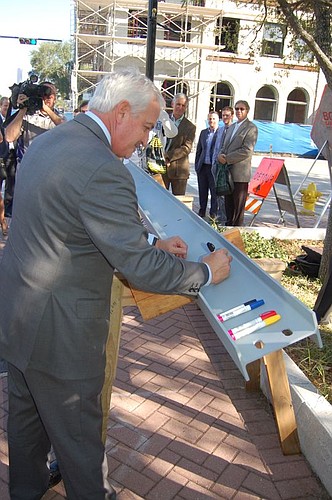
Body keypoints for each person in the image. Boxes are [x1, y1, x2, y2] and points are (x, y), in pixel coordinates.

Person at [0, 69, 232, 500]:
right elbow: (142, 271)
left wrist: (149, 239)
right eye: (145, 126)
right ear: (121, 112)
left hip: (19, 317)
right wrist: (206, 272)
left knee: (27, 434)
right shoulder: (105, 168)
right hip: (63, 338)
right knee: (81, 449)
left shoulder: (53, 140)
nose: (146, 139)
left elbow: (71, 219)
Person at [217, 100, 258, 226]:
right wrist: (220, 155)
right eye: (237, 109)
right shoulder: (232, 127)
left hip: (240, 174)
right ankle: (228, 231)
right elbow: (224, 145)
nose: (239, 111)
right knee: (228, 207)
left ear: (247, 111)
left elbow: (247, 150)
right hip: (227, 173)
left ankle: (237, 232)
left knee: (238, 209)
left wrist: (228, 158)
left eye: (242, 109)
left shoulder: (251, 128)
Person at [5, 82, 65, 167]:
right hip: (28, 167)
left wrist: (46, 109)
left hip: (51, 168)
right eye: (44, 95)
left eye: (50, 95)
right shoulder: (27, 116)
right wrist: (23, 108)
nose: (47, 98)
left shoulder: (59, 117)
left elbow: (66, 130)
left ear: (55, 98)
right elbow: (9, 137)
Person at [163, 93, 196, 195]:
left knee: (178, 203)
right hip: (161, 167)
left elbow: (186, 148)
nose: (180, 107)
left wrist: (168, 156)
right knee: (159, 199)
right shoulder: (163, 119)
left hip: (179, 171)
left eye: (183, 105)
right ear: (172, 104)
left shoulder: (190, 127)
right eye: (178, 104)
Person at [194, 111, 219, 219]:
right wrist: (197, 165)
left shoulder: (221, 133)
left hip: (214, 167)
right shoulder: (203, 132)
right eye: (210, 119)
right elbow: (199, 149)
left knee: (214, 192)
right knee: (202, 190)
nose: (211, 121)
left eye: (213, 119)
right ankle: (202, 210)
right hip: (203, 166)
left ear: (218, 120)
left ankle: (213, 212)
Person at [212, 106, 235, 224]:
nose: (225, 118)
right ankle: (220, 216)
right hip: (216, 164)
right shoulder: (220, 130)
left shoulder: (234, 129)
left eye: (227, 115)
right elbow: (216, 147)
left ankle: (225, 219)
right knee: (218, 193)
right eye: (223, 115)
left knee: (225, 192)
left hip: (226, 165)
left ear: (232, 116)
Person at [0, 96, 17, 220]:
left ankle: (8, 208)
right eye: (5, 105)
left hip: (12, 154)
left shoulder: (12, 118)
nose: (7, 108)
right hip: (1, 155)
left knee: (11, 182)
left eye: (8, 106)